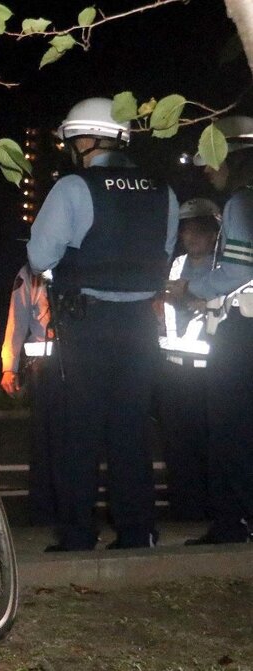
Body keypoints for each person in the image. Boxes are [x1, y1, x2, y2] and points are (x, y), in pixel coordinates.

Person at [27, 97, 178, 551]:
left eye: (73, 141)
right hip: (138, 325)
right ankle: (138, 531)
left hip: (87, 323)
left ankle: (77, 533)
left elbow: (39, 257)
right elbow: (164, 255)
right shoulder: (162, 190)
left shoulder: (75, 187)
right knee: (131, 430)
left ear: (87, 139)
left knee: (80, 430)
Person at [167, 116, 253, 544]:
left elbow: (237, 269)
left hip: (243, 331)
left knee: (228, 429)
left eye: (210, 160)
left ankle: (230, 522)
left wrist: (189, 287)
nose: (205, 169)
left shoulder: (242, 203)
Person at [157, 198, 221, 521]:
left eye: (199, 230)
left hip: (208, 375)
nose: (191, 236)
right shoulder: (174, 266)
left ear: (214, 234)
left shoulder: (223, 271)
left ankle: (211, 508)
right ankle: (184, 507)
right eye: (187, 230)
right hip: (172, 372)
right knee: (177, 447)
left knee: (208, 445)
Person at [0, 263, 57, 525]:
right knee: (44, 440)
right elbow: (17, 322)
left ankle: (71, 503)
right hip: (44, 370)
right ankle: (43, 508)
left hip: (79, 368)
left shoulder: (79, 262)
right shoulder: (30, 274)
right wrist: (9, 368)